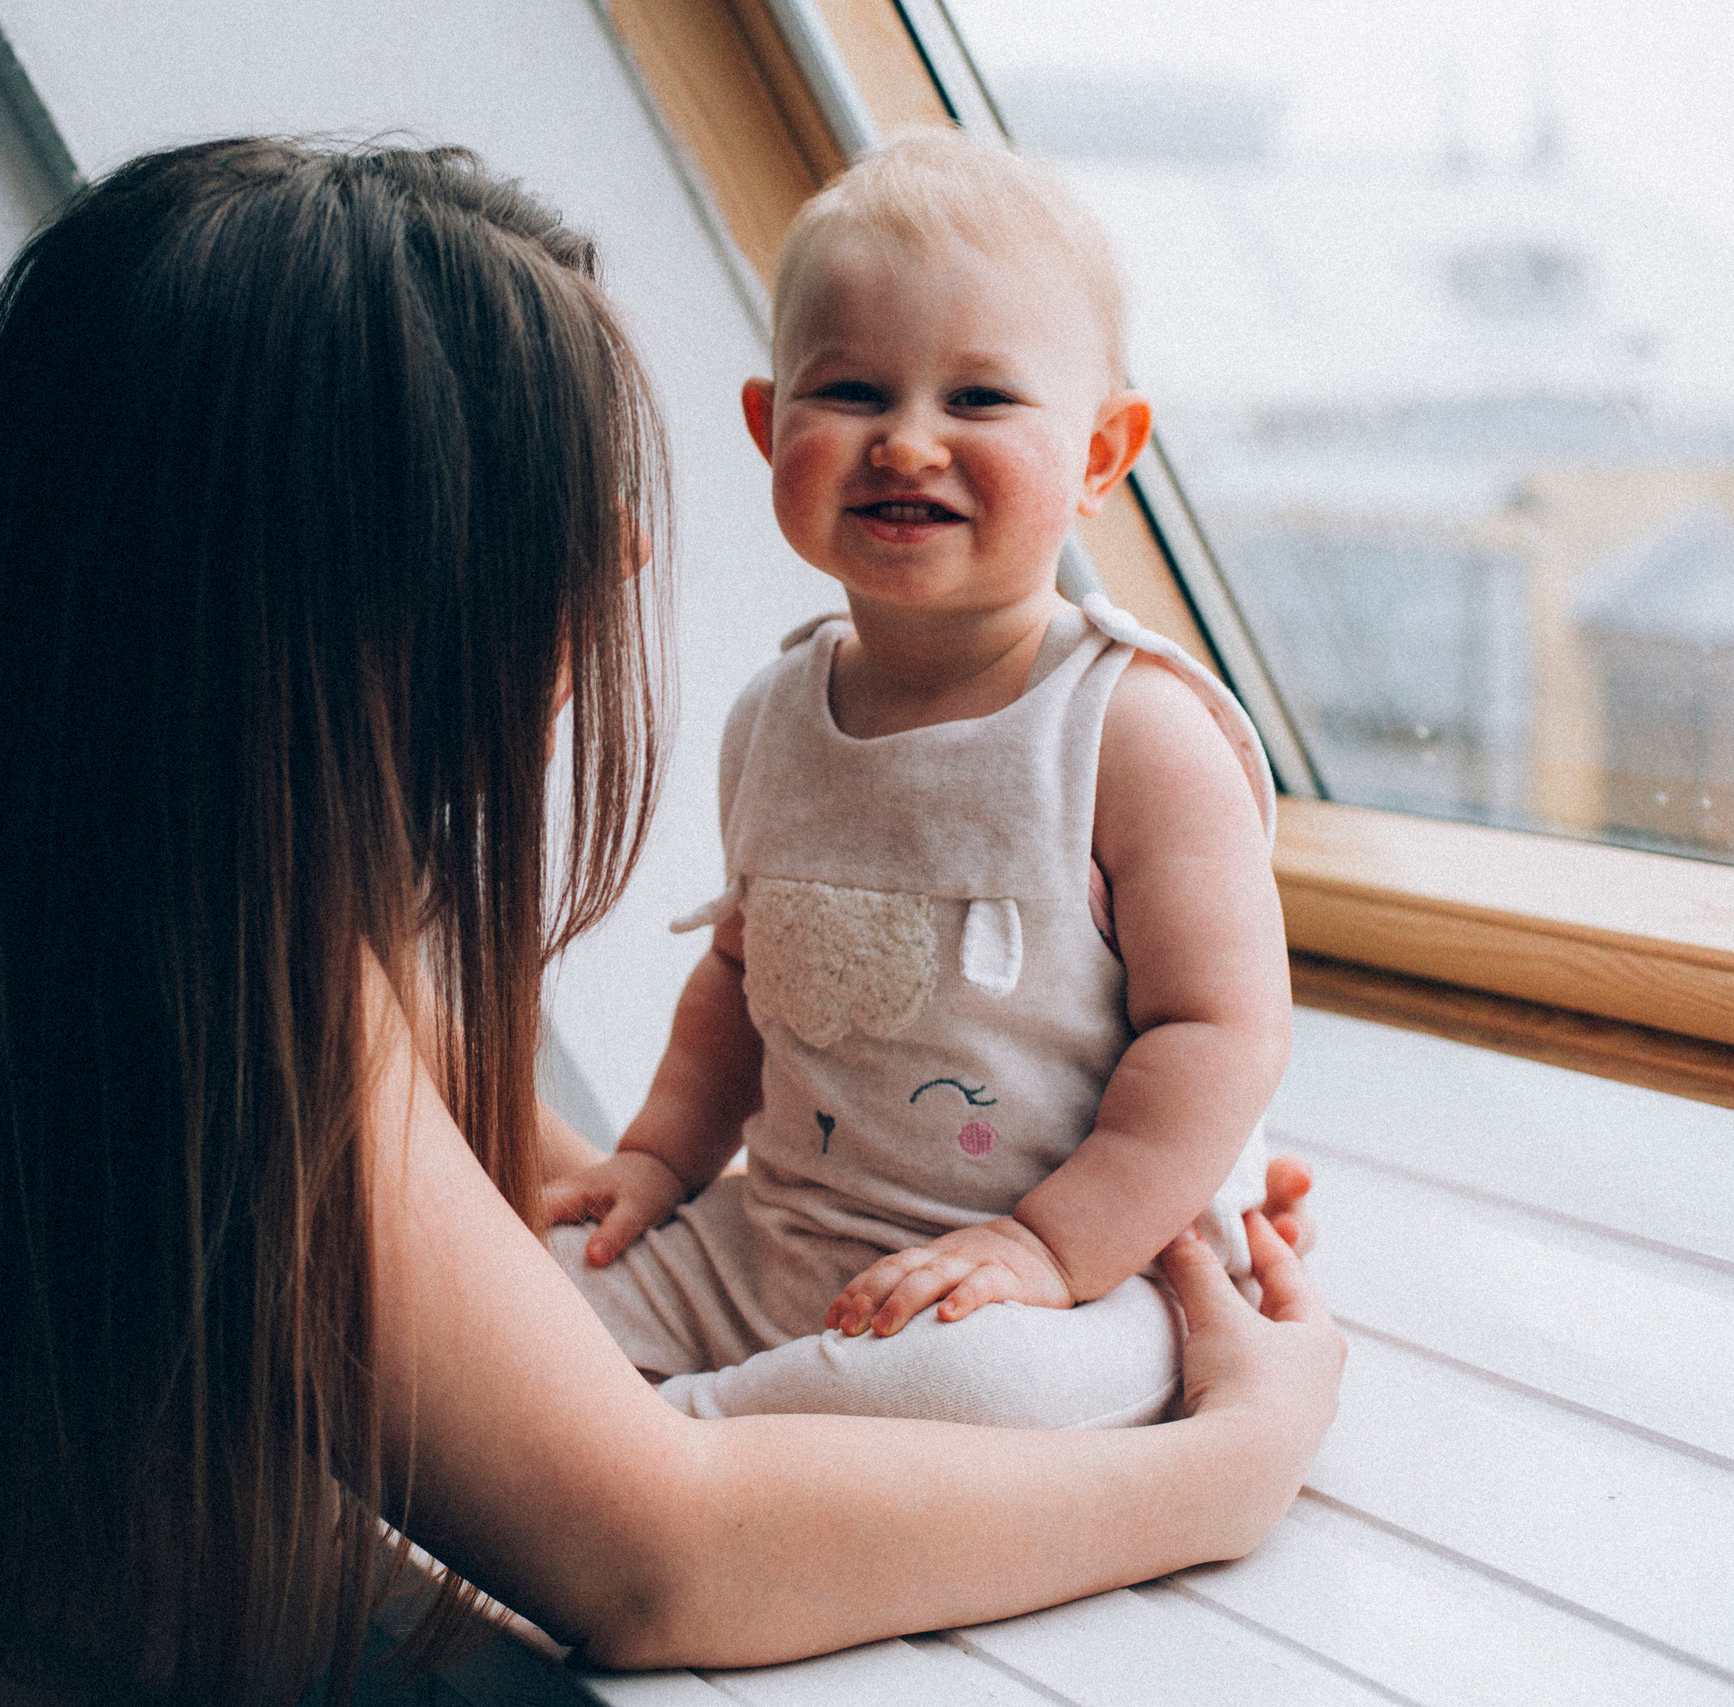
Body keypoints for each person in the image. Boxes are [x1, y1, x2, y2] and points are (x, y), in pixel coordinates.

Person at [0, 137, 1339, 1707]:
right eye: (554, 511)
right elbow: (658, 1552)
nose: (615, 557)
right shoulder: (202, 977)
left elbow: (430, 1236)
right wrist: (1228, 1458)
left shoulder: (61, 864)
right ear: (382, 583)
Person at [545, 125, 1296, 1431]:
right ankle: (672, 1436)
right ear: (769, 426)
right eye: (852, 394)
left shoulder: (1134, 729)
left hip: (1061, 1281)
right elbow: (741, 978)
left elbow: (1220, 1034)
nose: (906, 443)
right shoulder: (774, 715)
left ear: (1105, 455)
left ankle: (683, 1458)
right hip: (778, 1238)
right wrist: (657, 1160)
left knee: (981, 1382)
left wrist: (1050, 1251)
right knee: (530, 1308)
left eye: (980, 400)